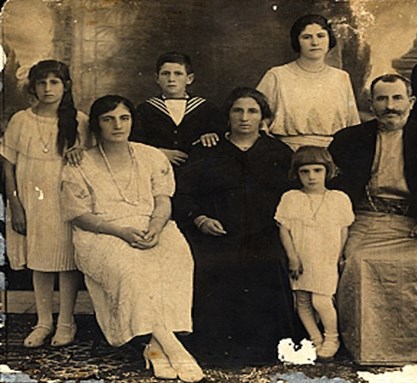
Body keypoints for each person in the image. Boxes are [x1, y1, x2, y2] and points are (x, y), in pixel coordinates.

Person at [60, 95, 203, 382]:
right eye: (108, 119)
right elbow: (78, 215)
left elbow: (163, 200)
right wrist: (120, 232)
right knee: (132, 269)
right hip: (102, 231)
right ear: (97, 125)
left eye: (124, 118)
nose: (117, 125)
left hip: (153, 225)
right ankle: (174, 347)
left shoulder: (151, 156)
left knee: (177, 259)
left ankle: (154, 348)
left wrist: (156, 226)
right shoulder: (80, 162)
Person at [329, 74, 417, 364]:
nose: (390, 106)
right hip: (364, 217)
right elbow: (334, 190)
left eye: (397, 98)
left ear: (410, 103)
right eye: (382, 99)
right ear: (371, 104)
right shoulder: (349, 139)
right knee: (356, 263)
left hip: (413, 222)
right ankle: (364, 346)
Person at [176, 87, 296, 365]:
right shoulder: (208, 149)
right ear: (227, 115)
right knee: (214, 266)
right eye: (237, 110)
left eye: (252, 111)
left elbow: (293, 197)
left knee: (267, 265)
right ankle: (216, 351)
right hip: (216, 234)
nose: (244, 117)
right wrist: (200, 218)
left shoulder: (277, 151)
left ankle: (264, 351)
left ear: (263, 117)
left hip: (264, 233)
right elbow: (182, 194)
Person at [0, 60, 90, 348]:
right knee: (39, 261)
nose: (48, 88)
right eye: (42, 82)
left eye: (54, 82)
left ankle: (66, 321)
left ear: (65, 86)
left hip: (64, 200)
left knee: (65, 261)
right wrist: (15, 205)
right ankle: (43, 322)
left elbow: (93, 160)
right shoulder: (21, 120)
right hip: (31, 200)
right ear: (33, 88)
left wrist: (79, 151)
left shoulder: (79, 121)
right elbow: (8, 167)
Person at [275, 146, 354, 360]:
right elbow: (284, 229)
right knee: (302, 300)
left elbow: (343, 229)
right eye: (305, 172)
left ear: (327, 171)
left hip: (325, 257)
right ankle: (315, 338)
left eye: (317, 171)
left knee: (321, 300)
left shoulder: (338, 198)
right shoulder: (291, 197)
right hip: (301, 257)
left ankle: (332, 337)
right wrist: (292, 257)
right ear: (297, 173)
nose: (311, 177)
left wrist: (338, 255)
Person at [131, 52, 225, 224]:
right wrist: (159, 153)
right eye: (165, 74)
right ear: (156, 78)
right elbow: (135, 144)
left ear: (189, 79)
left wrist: (212, 134)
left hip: (195, 178)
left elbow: (221, 134)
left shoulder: (207, 108)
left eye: (178, 74)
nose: (171, 79)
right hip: (157, 175)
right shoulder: (144, 110)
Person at [256, 14, 360, 150]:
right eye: (306, 37)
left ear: (330, 39)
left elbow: (353, 125)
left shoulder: (341, 78)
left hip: (333, 155)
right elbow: (256, 117)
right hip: (286, 154)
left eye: (321, 36)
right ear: (297, 41)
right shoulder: (277, 75)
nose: (315, 43)